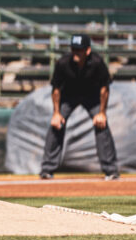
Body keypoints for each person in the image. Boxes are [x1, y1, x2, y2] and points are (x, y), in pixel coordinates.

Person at [39, 34, 120, 181]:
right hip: (69, 97)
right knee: (56, 125)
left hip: (92, 96)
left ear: (87, 50)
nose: (76, 53)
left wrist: (102, 113)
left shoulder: (97, 62)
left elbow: (104, 88)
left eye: (79, 50)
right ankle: (47, 169)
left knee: (101, 125)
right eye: (73, 49)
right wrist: (56, 113)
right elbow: (56, 89)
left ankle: (111, 170)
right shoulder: (63, 63)